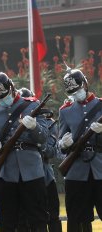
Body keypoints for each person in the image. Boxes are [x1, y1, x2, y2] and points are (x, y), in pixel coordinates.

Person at [0, 70, 49, 231]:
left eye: (5, 94)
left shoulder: (32, 104)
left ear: (11, 87)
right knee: (6, 220)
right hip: (5, 173)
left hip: (32, 170)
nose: (3, 99)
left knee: (38, 219)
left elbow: (43, 138)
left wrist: (34, 126)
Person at [58, 66, 102, 232]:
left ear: (85, 84)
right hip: (76, 169)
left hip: (100, 166)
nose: (76, 94)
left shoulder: (100, 105)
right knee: (77, 218)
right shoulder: (65, 111)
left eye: (77, 90)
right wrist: (64, 143)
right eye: (72, 92)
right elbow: (59, 143)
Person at [18, 87, 62, 232]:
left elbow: (51, 151)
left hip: (45, 177)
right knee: (23, 218)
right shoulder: (13, 125)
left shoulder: (47, 123)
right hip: (23, 177)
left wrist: (37, 142)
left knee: (52, 217)